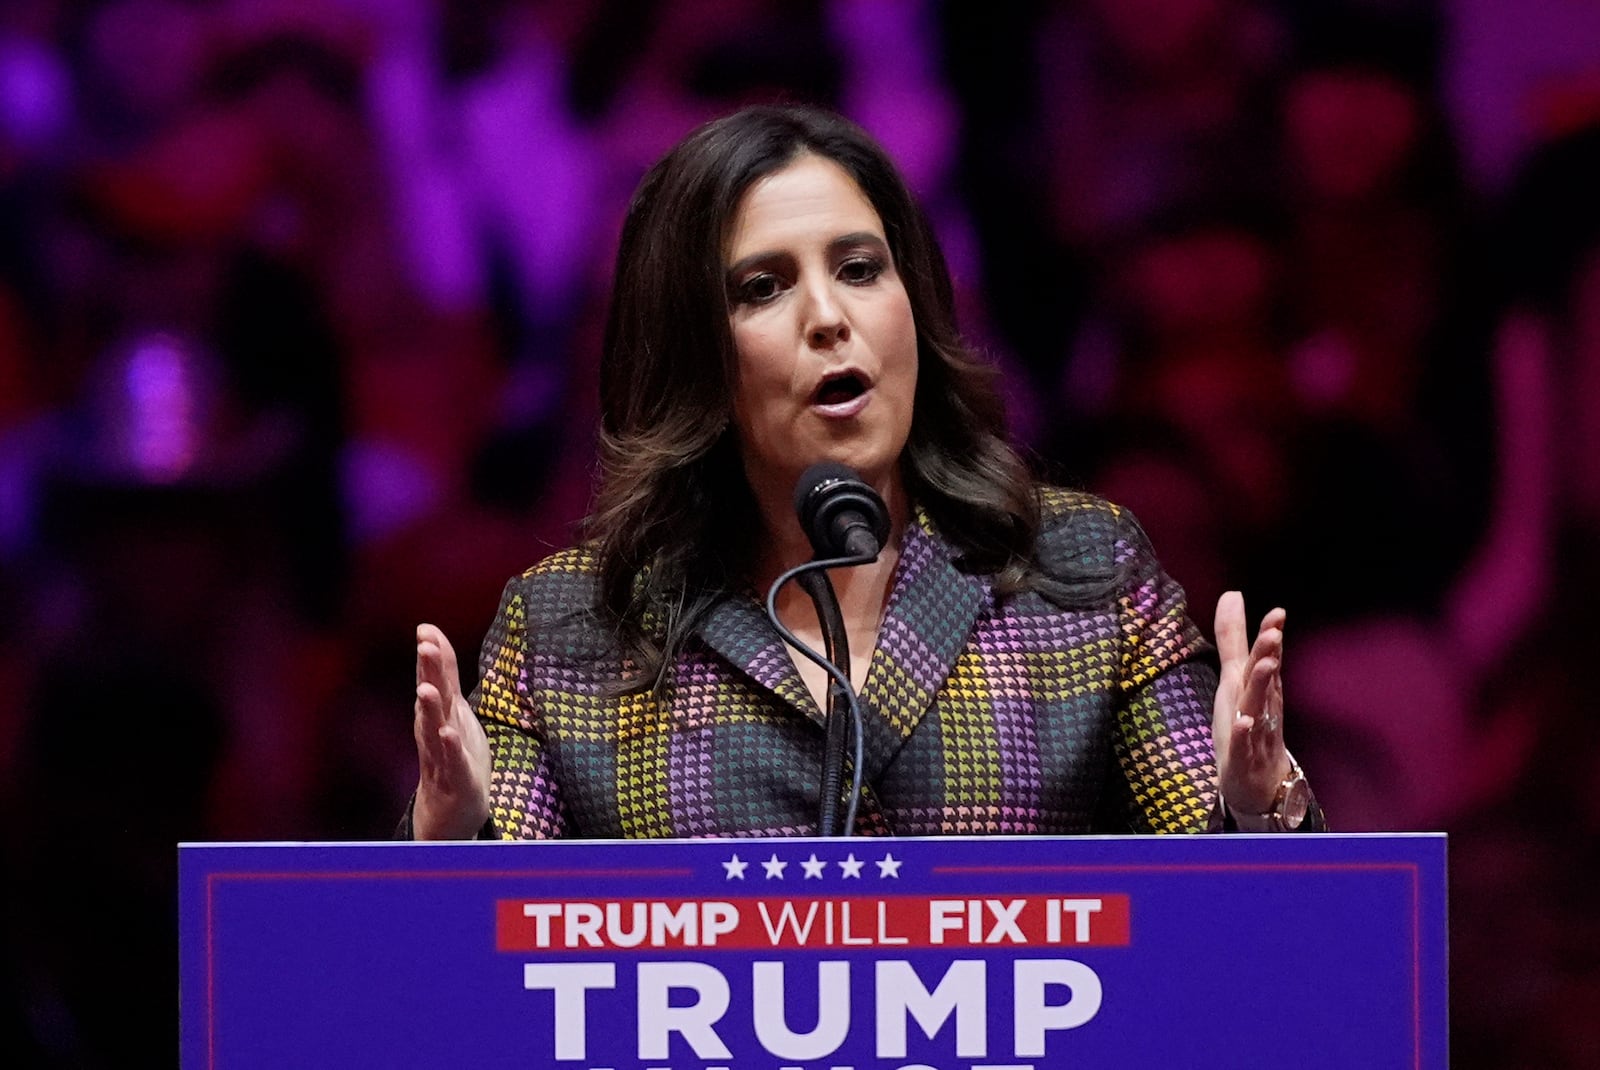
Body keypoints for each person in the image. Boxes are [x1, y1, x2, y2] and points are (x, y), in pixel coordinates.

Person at [403, 103, 1324, 841]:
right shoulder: (574, 629)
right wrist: (443, 842)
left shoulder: (1078, 572)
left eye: (859, 268)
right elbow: (489, 972)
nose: (829, 316)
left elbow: (1232, 942)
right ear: (692, 353)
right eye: (762, 287)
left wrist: (1257, 808)